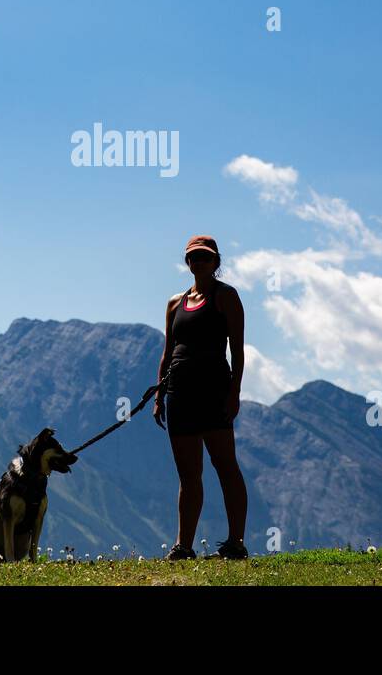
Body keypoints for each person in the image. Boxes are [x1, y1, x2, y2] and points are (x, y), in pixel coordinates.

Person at [153, 234, 249, 559]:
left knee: (225, 466)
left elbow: (237, 350)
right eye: (194, 257)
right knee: (188, 474)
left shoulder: (226, 297)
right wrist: (158, 395)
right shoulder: (174, 303)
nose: (199, 262)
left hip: (214, 392)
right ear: (187, 262)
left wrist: (234, 393)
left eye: (205, 257)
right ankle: (183, 546)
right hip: (179, 394)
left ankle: (236, 542)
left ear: (216, 262)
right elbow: (168, 351)